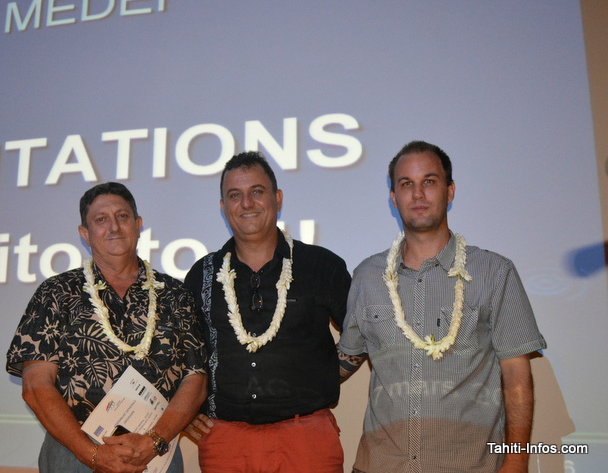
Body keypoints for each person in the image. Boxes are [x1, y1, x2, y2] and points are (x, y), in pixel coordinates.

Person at [338, 141, 547, 472]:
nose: (417, 194)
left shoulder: (493, 272)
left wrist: (517, 459)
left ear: (450, 192)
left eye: (429, 182)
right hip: (380, 464)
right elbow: (346, 358)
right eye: (406, 184)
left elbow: (516, 373)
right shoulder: (367, 276)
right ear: (393, 198)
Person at [6, 182, 207, 473]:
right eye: (101, 220)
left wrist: (154, 441)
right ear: (84, 234)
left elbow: (196, 380)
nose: (113, 227)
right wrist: (92, 455)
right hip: (74, 452)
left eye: (123, 217)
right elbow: (36, 386)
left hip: (155, 452)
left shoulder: (175, 295)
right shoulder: (56, 292)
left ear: (138, 225)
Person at [183, 151, 351, 472]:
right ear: (223, 207)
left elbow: (362, 335)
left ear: (277, 198)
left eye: (256, 192)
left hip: (307, 439)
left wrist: (328, 373)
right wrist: (185, 412)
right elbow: (179, 355)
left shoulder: (321, 265)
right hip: (225, 442)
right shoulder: (201, 274)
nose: (246, 203)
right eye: (235, 195)